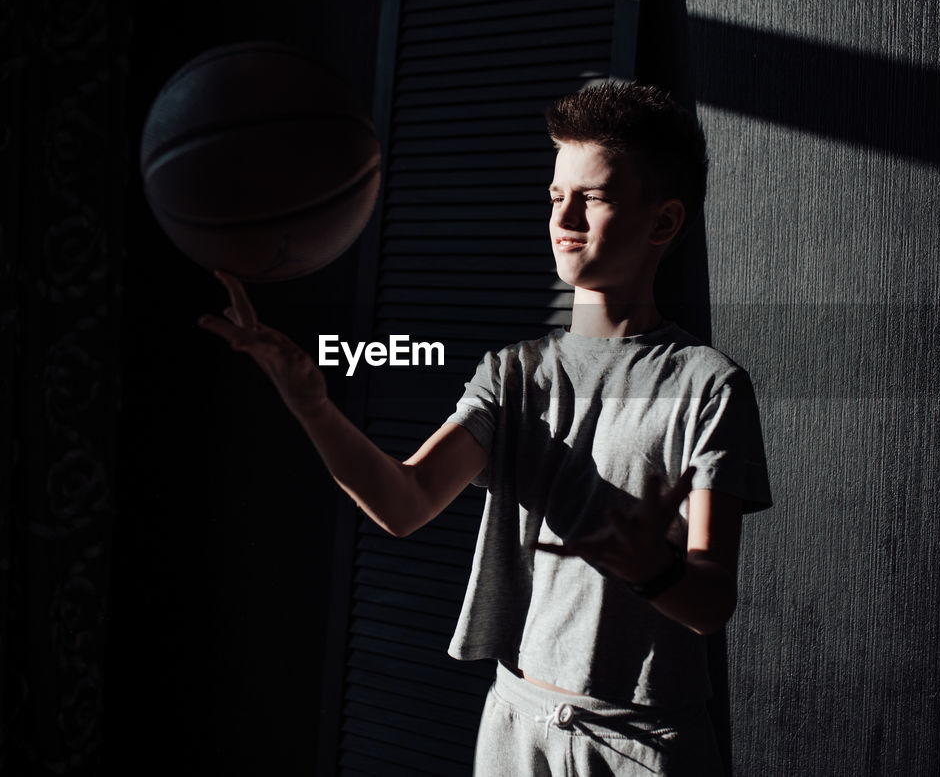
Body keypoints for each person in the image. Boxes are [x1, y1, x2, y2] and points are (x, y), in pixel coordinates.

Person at [198, 81, 771, 775]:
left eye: (593, 197)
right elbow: (405, 502)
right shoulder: (513, 375)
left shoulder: (708, 385)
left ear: (663, 222)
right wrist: (312, 406)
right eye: (556, 195)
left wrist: (651, 566)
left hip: (643, 745)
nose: (566, 215)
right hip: (514, 724)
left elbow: (711, 602)